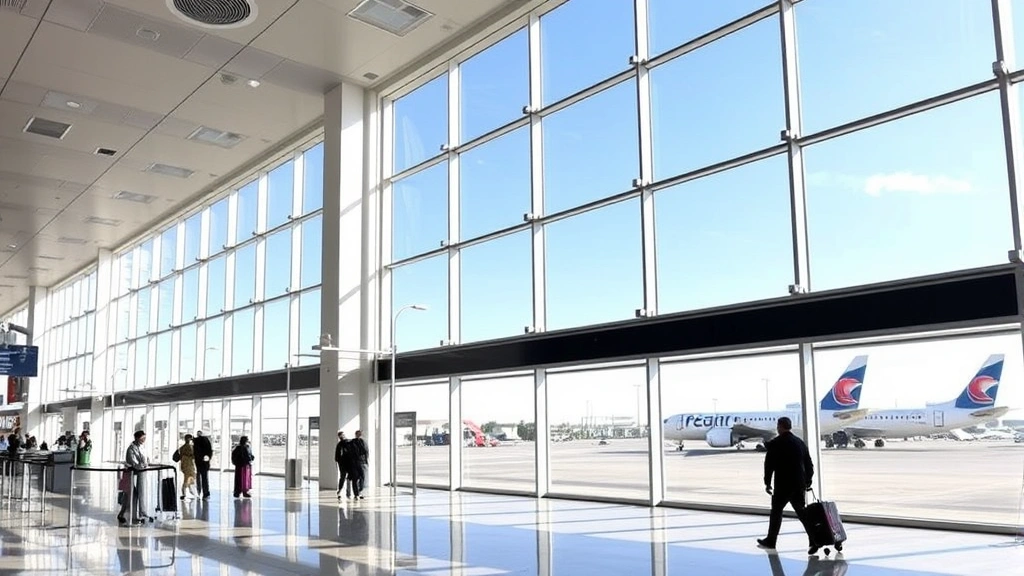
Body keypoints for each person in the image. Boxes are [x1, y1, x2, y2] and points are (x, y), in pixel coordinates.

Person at [757, 416, 817, 553]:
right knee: (802, 514)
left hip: (783, 485)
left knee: (776, 512)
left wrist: (767, 483)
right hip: (798, 484)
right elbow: (809, 465)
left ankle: (771, 540)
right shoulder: (799, 443)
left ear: (780, 426)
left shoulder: (776, 443)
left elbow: (769, 465)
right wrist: (807, 480)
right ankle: (814, 540)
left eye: (778, 426)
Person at [117, 430, 152, 525]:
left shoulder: (142, 447)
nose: (144, 440)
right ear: (136, 438)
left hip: (141, 473)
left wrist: (146, 463)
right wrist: (142, 465)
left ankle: (140, 513)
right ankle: (126, 514)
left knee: (140, 493)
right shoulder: (131, 449)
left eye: (145, 438)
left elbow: (145, 459)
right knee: (131, 494)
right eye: (142, 438)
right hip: (131, 474)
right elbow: (133, 462)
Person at [175, 434, 198, 500]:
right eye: (190, 439)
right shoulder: (188, 447)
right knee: (188, 478)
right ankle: (185, 493)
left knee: (188, 478)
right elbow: (192, 455)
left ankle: (187, 492)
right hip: (188, 465)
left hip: (185, 464)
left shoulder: (182, 447)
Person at [192, 430, 213, 500]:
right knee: (204, 478)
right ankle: (206, 493)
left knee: (198, 477)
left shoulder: (196, 442)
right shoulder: (206, 441)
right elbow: (210, 451)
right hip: (204, 463)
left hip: (198, 462)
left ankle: (198, 492)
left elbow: (194, 452)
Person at [350, 430, 369, 499]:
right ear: (355, 434)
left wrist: (366, 461)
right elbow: (351, 452)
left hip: (362, 462)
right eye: (358, 434)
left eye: (360, 434)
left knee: (362, 477)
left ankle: (360, 491)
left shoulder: (363, 442)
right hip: (354, 463)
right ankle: (356, 494)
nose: (359, 435)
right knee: (355, 478)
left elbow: (366, 452)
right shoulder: (352, 442)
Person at [334, 431, 348, 500]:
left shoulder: (347, 443)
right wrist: (338, 461)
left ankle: (347, 492)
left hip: (346, 463)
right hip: (342, 463)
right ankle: (340, 490)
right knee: (343, 476)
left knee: (345, 477)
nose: (341, 437)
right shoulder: (339, 444)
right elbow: (337, 455)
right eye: (340, 436)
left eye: (342, 435)